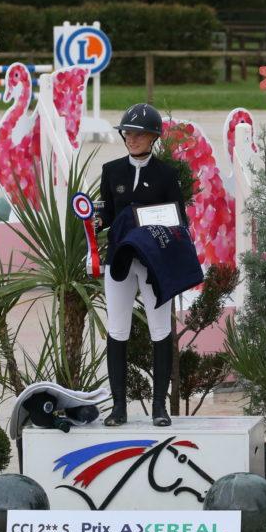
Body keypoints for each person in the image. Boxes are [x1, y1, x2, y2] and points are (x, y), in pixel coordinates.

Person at [97, 103, 186, 427]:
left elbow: (179, 219)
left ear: (152, 137)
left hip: (153, 264)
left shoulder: (166, 175)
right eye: (127, 133)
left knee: (160, 330)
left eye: (138, 134)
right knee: (117, 330)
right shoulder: (112, 171)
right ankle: (118, 406)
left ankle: (159, 406)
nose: (131, 139)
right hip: (120, 260)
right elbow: (105, 212)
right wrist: (94, 221)